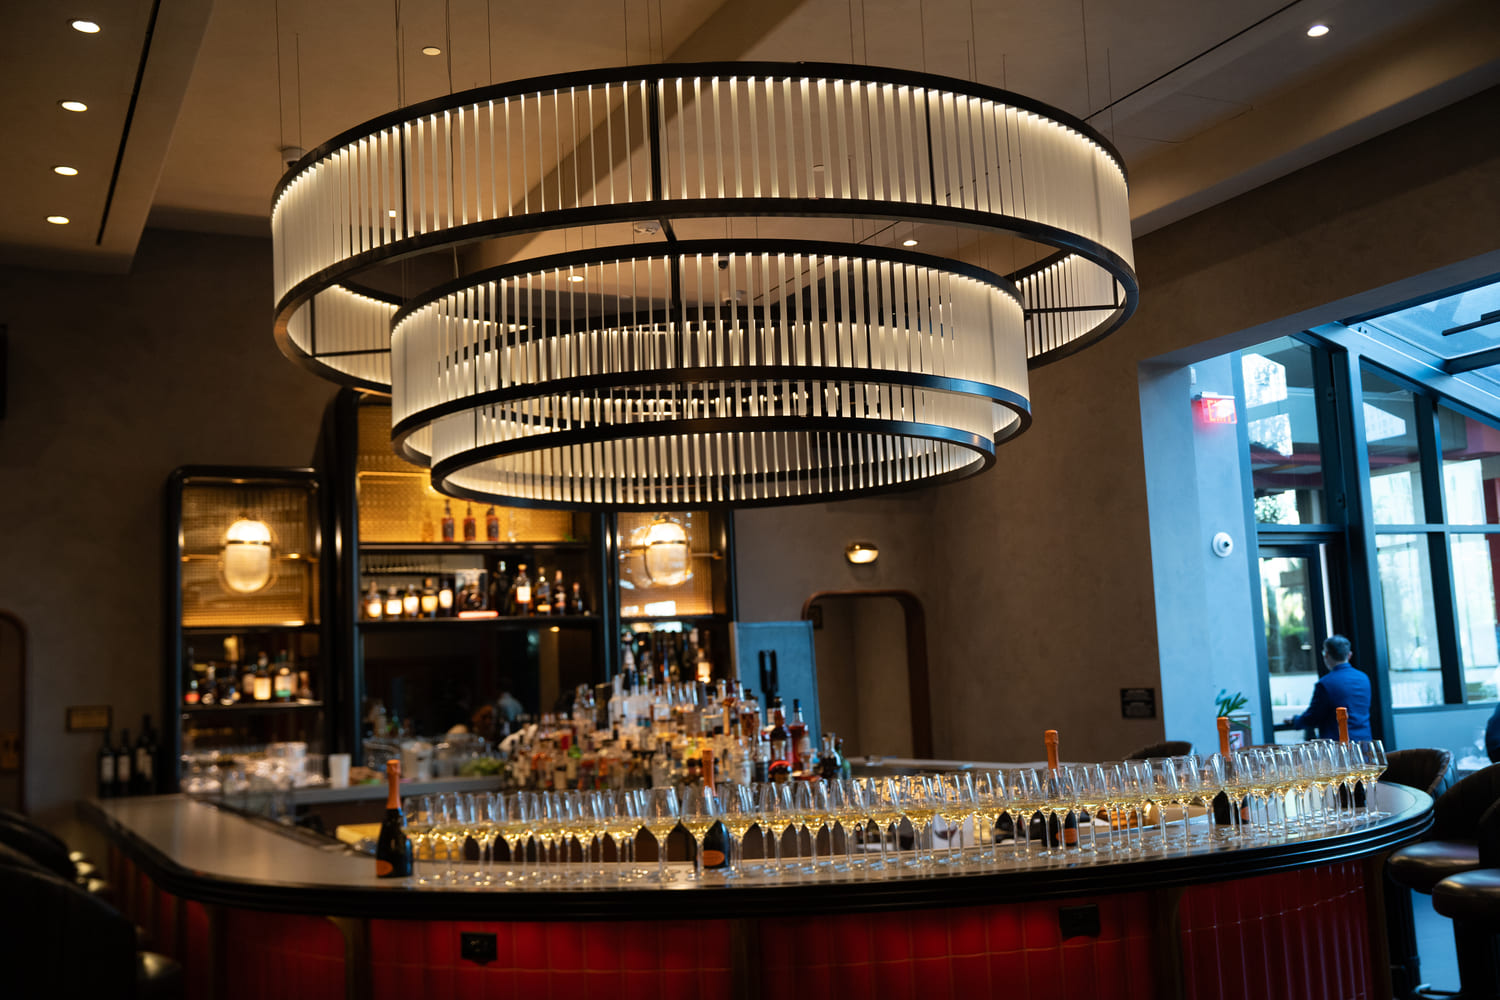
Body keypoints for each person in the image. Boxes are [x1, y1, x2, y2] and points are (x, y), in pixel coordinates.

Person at [1283, 635, 1372, 740]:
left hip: (1338, 744)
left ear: (1326, 655)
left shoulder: (1326, 683)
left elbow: (1313, 716)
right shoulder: (1363, 678)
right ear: (1349, 655)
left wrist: (1296, 720)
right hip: (1364, 742)